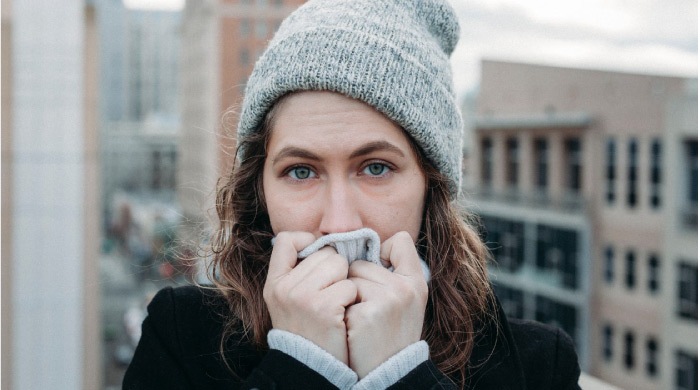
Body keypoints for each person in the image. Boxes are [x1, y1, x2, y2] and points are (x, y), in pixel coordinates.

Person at [123, 0, 582, 388]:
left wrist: (400, 375)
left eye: (376, 168)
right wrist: (300, 365)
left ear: (432, 187)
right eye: (301, 171)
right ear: (258, 189)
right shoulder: (182, 336)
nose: (339, 223)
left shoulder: (537, 366)